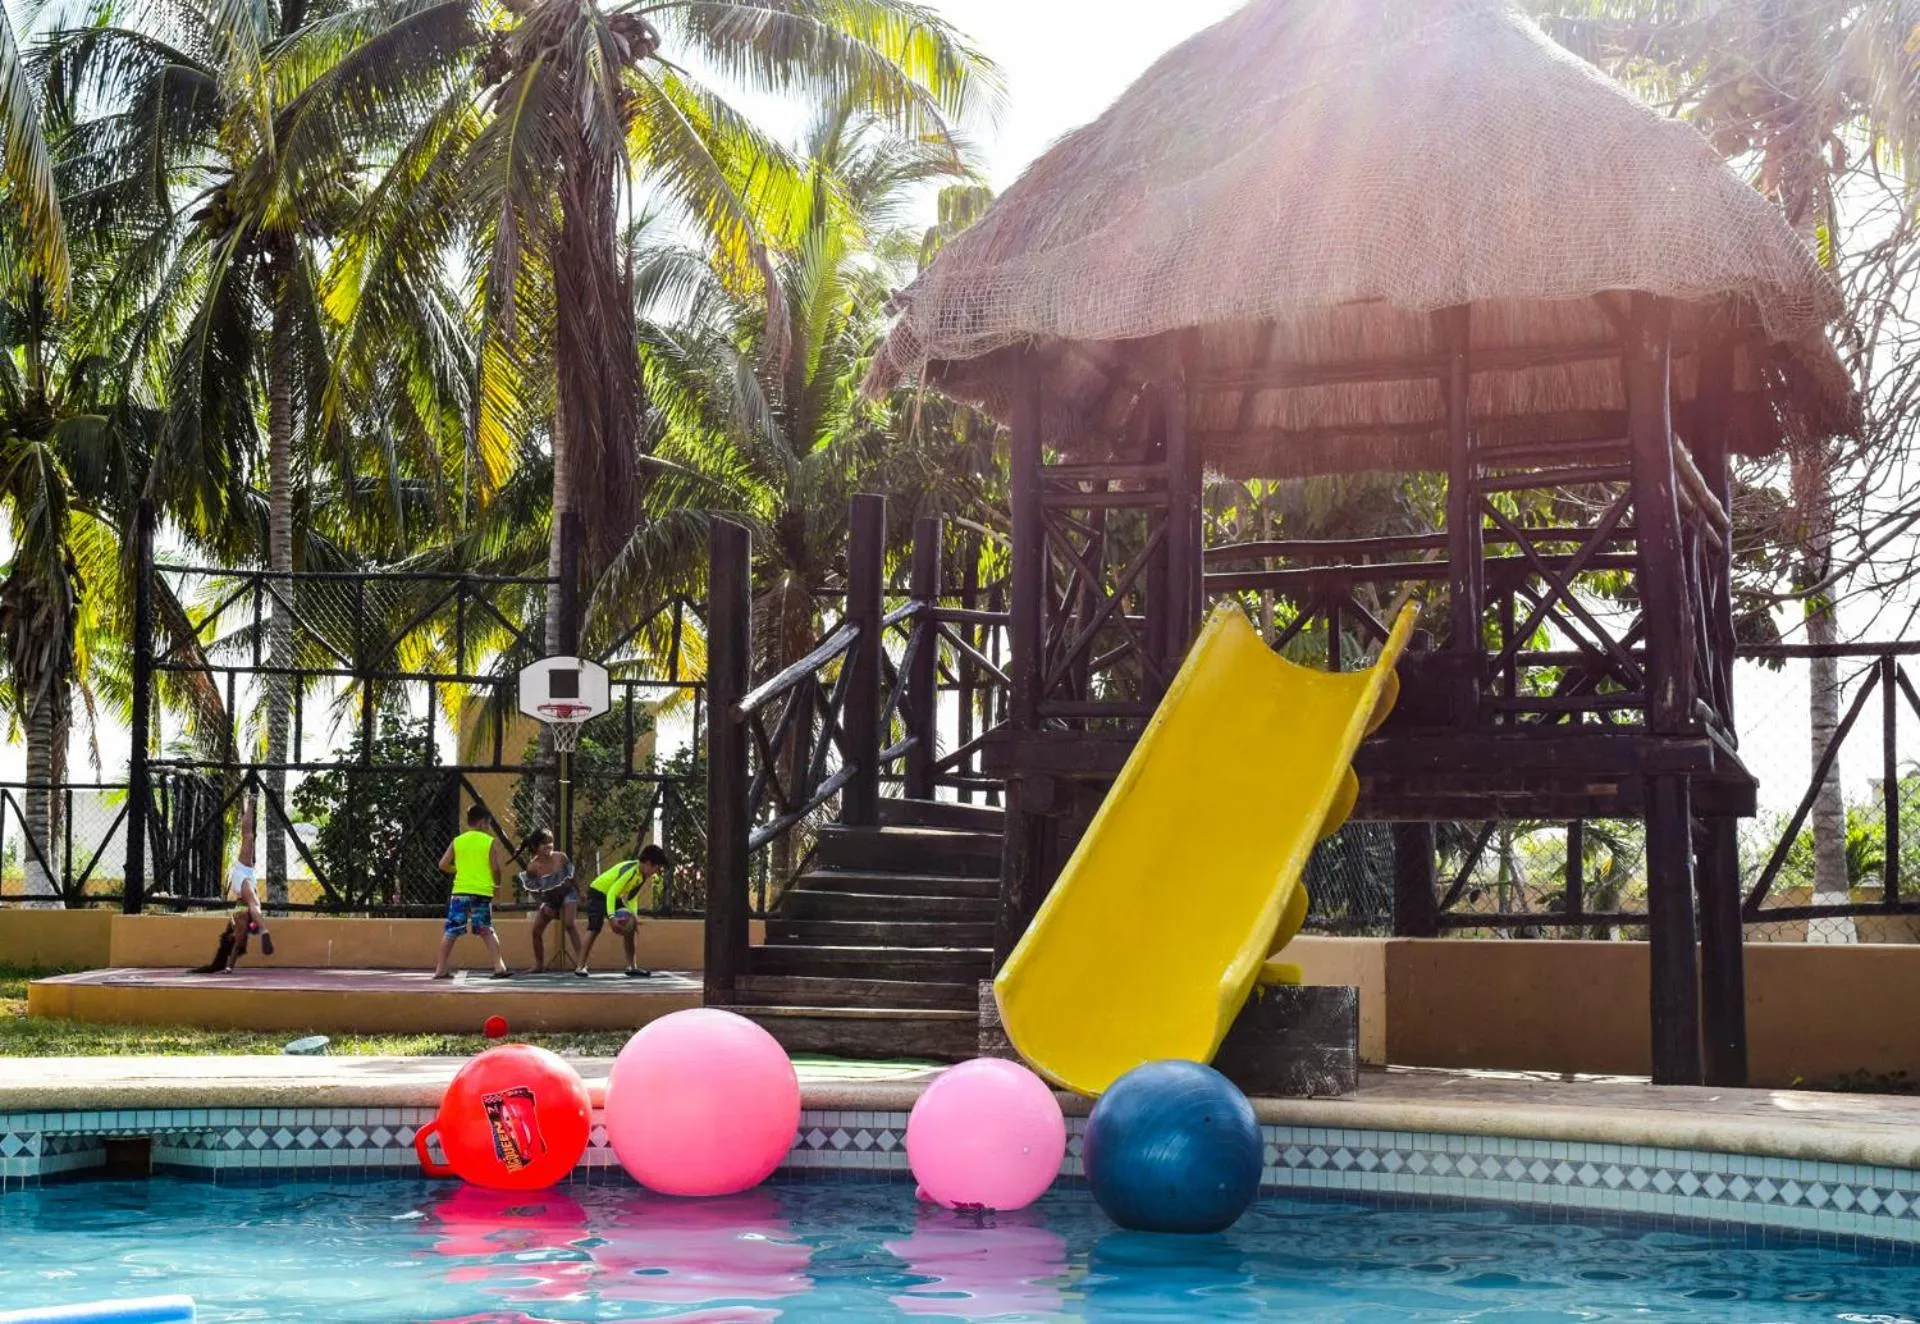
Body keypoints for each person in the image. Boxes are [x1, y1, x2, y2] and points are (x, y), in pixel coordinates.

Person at [194, 793, 273, 973]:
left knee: (249, 837)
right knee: (242, 937)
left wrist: (258, 928)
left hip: (243, 884)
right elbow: (238, 943)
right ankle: (261, 934)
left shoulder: (238, 919)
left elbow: (249, 910)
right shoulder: (240, 930)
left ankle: (250, 802)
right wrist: (229, 966)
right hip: (246, 886)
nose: (238, 936)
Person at [434, 804, 513, 980]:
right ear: (482, 822)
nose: (488, 827)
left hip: (460, 892)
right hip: (481, 893)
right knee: (486, 930)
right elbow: (496, 869)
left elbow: (442, 865)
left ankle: (440, 969)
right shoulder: (488, 841)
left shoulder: (458, 841)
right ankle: (499, 967)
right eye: (488, 823)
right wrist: (497, 887)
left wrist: (459, 870)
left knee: (452, 930)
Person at [574, 845, 668, 979]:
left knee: (631, 927)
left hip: (614, 896)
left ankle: (632, 967)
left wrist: (634, 917)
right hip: (598, 892)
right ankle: (580, 966)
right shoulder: (630, 871)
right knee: (594, 927)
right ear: (648, 863)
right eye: (656, 868)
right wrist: (612, 917)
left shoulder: (641, 877)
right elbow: (611, 893)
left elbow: (632, 899)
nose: (656, 872)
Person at [520, 828, 583, 974]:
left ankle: (582, 962)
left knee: (569, 924)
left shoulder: (561, 857)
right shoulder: (533, 866)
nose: (548, 846)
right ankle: (539, 964)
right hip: (550, 899)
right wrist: (543, 904)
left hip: (568, 893)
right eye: (544, 843)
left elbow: (572, 877)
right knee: (536, 931)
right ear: (536, 847)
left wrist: (579, 893)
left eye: (550, 842)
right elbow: (533, 889)